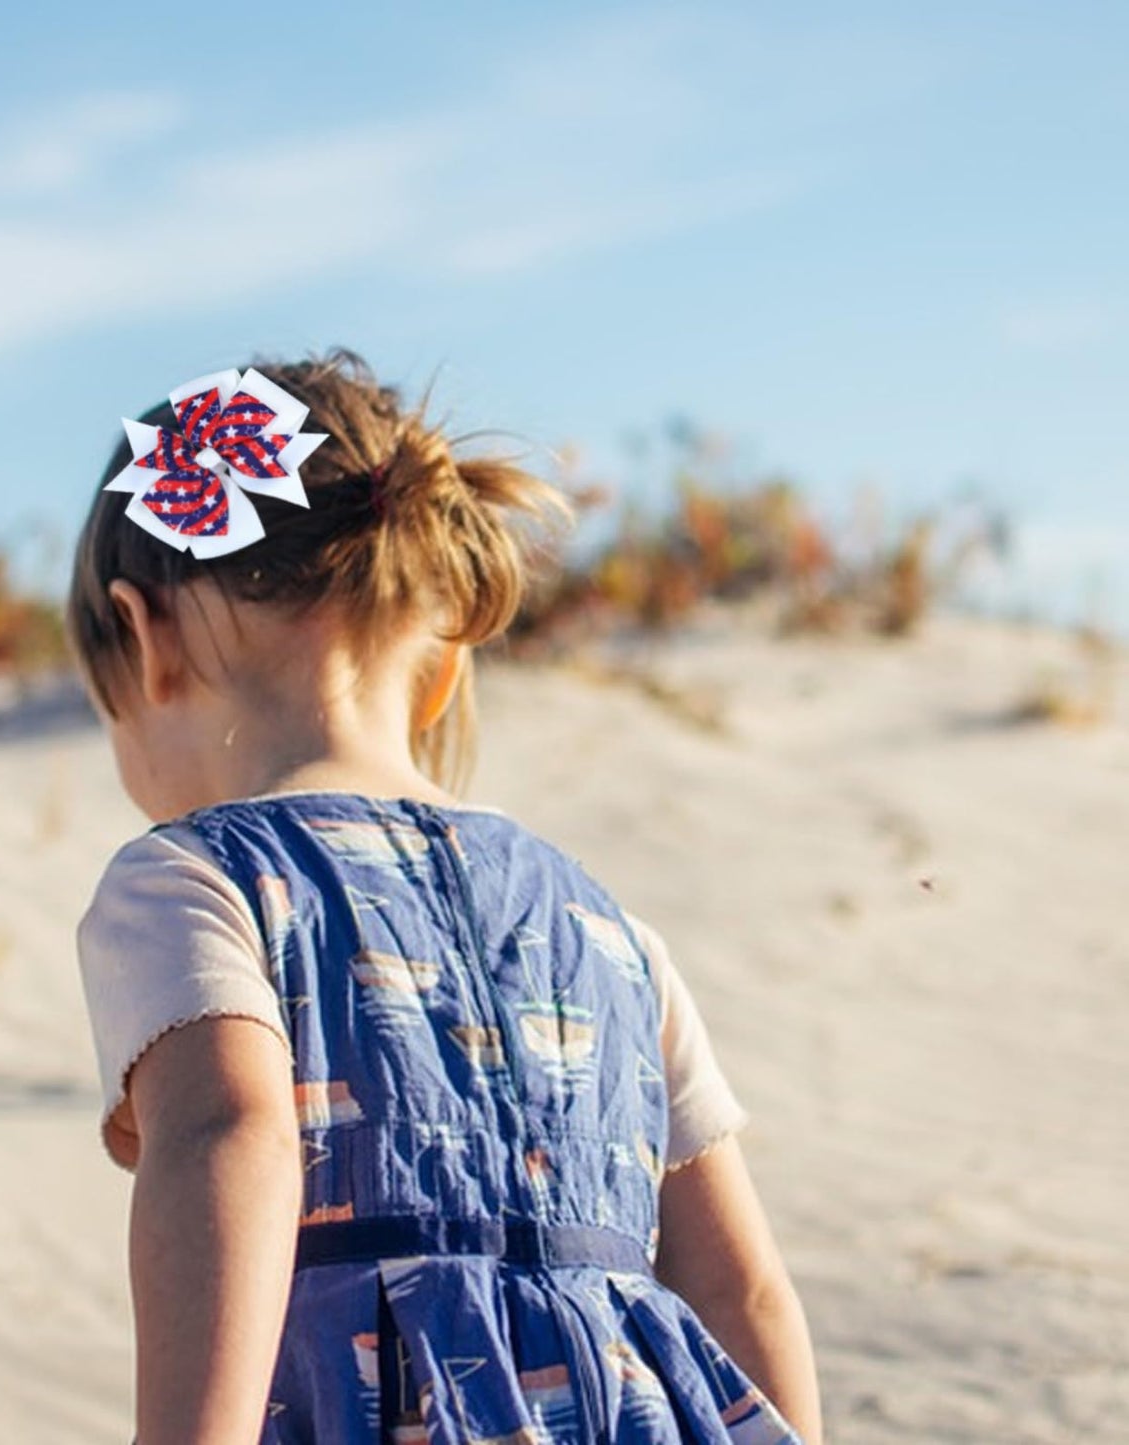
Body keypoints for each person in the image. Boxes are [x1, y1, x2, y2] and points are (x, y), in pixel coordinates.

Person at [68, 347, 823, 1445]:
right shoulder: (606, 927)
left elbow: (231, 1141)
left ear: (145, 639)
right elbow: (739, 1287)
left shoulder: (191, 879)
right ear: (437, 669)